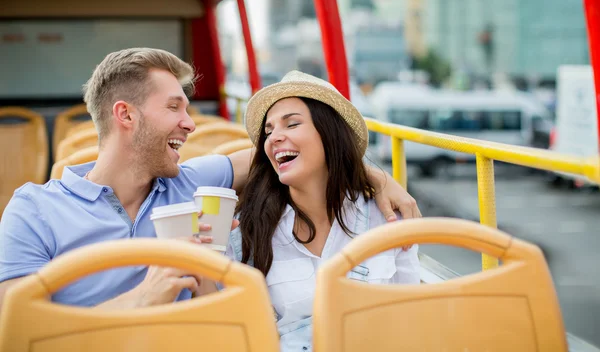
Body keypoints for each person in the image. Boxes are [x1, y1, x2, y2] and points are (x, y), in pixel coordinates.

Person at [0, 48, 421, 313]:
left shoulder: (190, 182)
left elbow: (286, 153)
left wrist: (376, 177)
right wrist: (141, 300)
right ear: (126, 115)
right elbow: (16, 331)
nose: (190, 124)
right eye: (174, 108)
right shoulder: (33, 210)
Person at [224, 71, 421, 351]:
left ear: (329, 133)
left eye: (291, 124)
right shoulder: (247, 227)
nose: (275, 137)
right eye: (268, 131)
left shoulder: (387, 219)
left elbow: (411, 319)